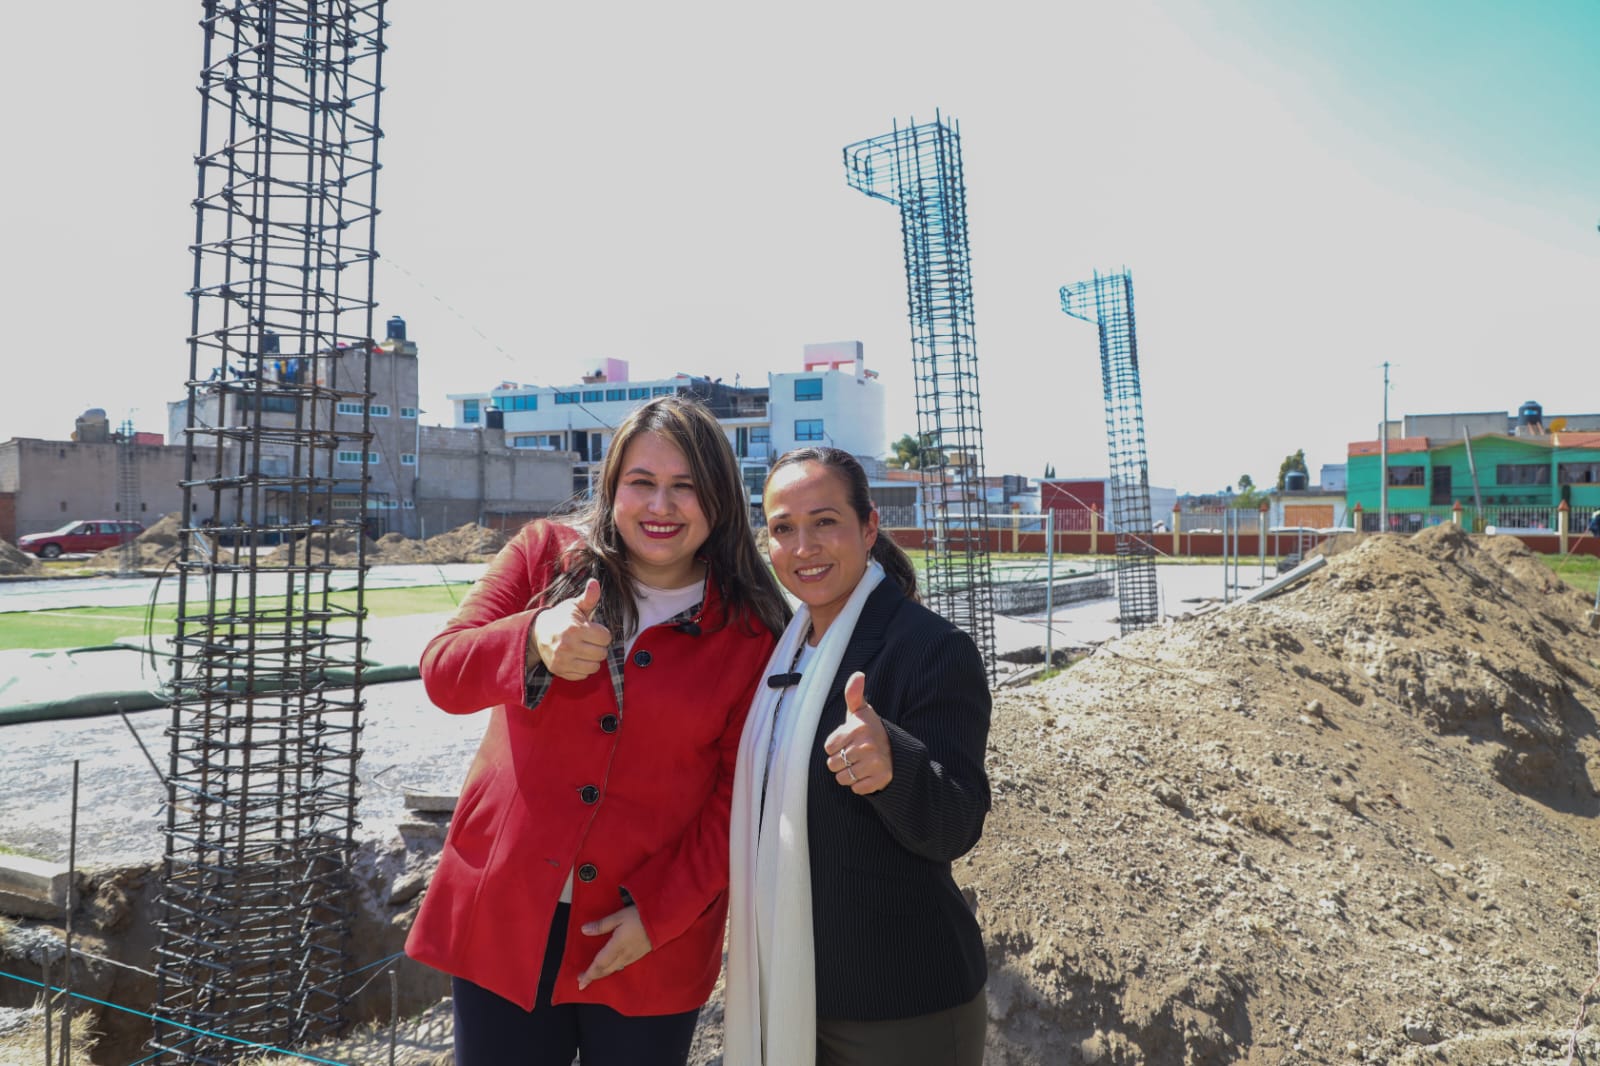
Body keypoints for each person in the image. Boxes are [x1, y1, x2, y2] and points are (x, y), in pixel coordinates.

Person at [407, 395, 789, 1066]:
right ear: (611, 489)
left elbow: (740, 796)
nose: (660, 506)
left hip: (642, 939)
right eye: (642, 483)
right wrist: (530, 636)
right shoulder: (543, 558)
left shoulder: (751, 632)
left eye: (685, 488)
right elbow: (442, 671)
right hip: (505, 919)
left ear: (720, 501)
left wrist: (660, 914)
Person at [726, 447, 992, 1066]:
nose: (803, 547)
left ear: (869, 527)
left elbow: (958, 821)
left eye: (825, 522)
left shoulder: (931, 648)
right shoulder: (783, 654)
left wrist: (892, 765)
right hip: (790, 991)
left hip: (899, 1004)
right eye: (783, 528)